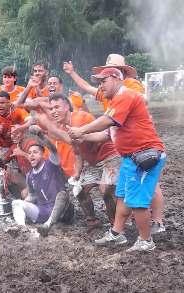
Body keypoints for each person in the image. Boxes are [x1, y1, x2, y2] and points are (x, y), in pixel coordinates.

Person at [64, 54, 165, 232]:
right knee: (124, 192)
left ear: (119, 75)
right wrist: (72, 73)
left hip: (140, 145)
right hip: (121, 140)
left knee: (144, 189)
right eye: (101, 79)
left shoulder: (128, 88)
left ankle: (154, 225)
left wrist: (82, 131)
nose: (101, 83)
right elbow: (88, 90)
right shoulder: (109, 93)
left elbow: (130, 106)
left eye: (105, 77)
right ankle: (118, 230)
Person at [31, 93, 120, 226]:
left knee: (105, 189)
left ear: (67, 106)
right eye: (51, 109)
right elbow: (78, 152)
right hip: (92, 163)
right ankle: (92, 220)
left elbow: (75, 140)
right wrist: (77, 172)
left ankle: (116, 224)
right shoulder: (62, 127)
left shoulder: (81, 117)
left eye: (57, 107)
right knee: (78, 190)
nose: (54, 111)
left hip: (110, 157)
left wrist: (48, 125)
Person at [11, 133, 73, 228]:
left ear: (42, 154)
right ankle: (21, 228)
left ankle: (48, 225)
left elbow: (53, 149)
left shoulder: (51, 164)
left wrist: (41, 134)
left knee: (63, 194)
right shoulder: (30, 175)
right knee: (16, 203)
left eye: (35, 152)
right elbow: (32, 195)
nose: (32, 155)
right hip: (43, 211)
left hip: (62, 210)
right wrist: (23, 205)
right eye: (30, 153)